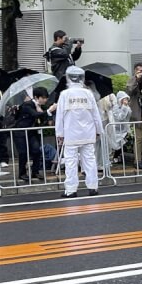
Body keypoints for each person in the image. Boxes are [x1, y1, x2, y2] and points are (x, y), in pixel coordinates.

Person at [55, 67, 102, 198]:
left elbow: (59, 117)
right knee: (90, 160)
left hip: (70, 134)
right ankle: (93, 187)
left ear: (68, 78)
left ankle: (71, 190)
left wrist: (59, 134)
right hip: (88, 133)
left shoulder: (64, 94)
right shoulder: (88, 94)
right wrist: (99, 130)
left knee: (70, 162)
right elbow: (96, 115)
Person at [13, 87, 56, 183]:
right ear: (36, 97)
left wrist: (47, 116)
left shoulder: (41, 106)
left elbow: (42, 118)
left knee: (36, 150)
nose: (45, 100)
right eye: (43, 98)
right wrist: (49, 110)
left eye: (46, 98)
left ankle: (35, 171)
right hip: (20, 132)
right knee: (23, 153)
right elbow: (35, 115)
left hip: (32, 132)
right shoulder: (27, 105)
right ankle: (22, 173)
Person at [108, 91, 132, 163]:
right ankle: (114, 157)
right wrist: (124, 107)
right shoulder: (116, 107)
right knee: (116, 144)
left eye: (126, 99)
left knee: (122, 144)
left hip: (124, 129)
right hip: (117, 129)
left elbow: (128, 116)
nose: (126, 100)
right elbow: (120, 117)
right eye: (124, 99)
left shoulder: (127, 107)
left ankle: (117, 157)